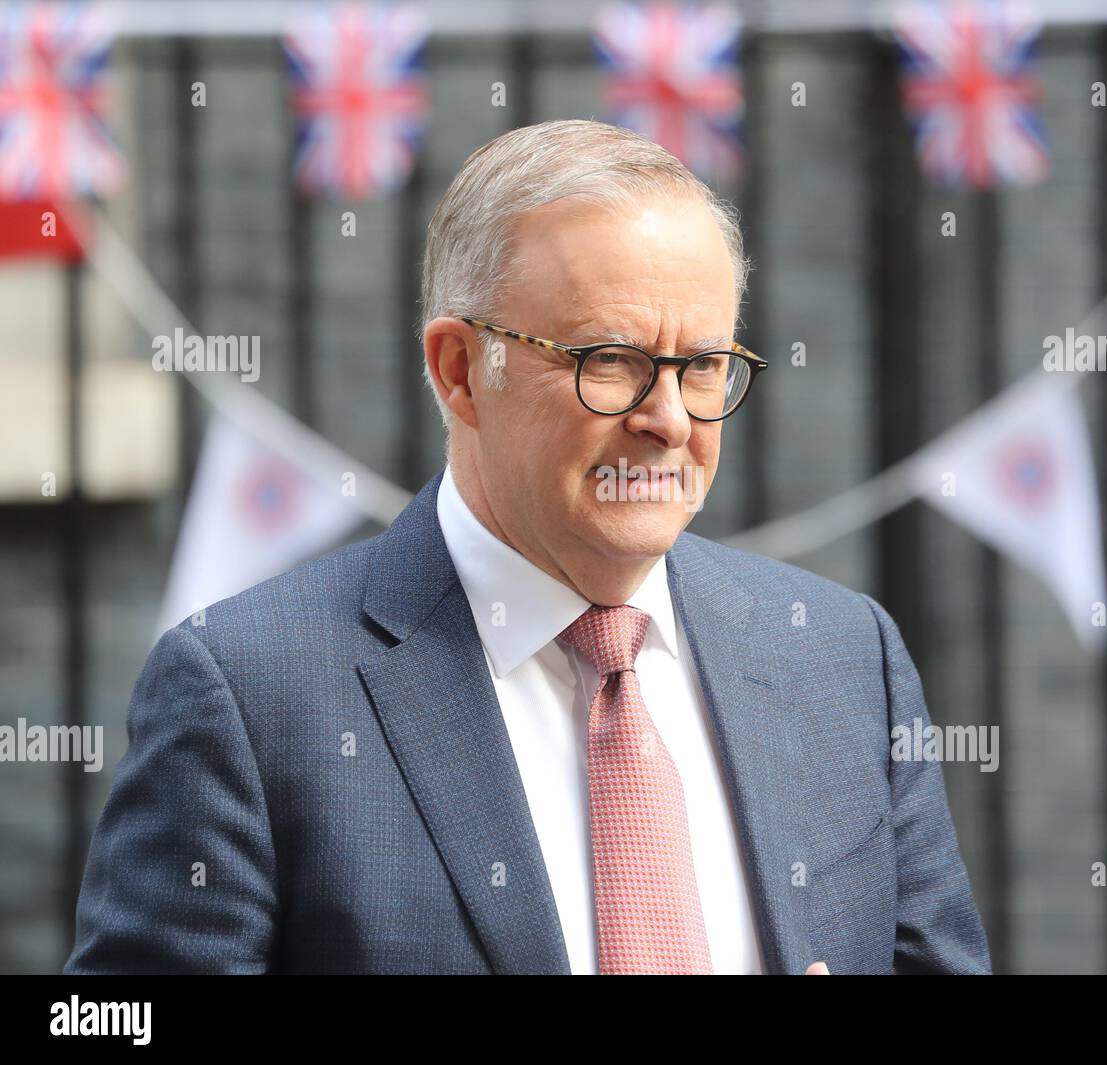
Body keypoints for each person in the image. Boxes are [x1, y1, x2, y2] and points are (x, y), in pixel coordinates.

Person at [65, 119, 991, 975]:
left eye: (704, 366)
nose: (668, 420)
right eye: (610, 361)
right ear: (462, 371)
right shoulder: (250, 694)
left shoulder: (841, 657)